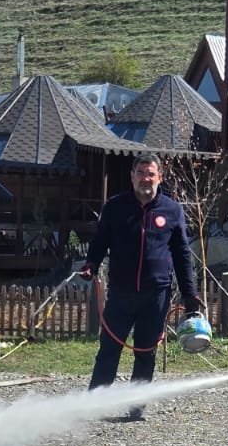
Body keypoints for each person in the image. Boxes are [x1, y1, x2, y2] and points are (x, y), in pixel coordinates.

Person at [81, 152, 202, 419]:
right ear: (132, 176)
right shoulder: (115, 207)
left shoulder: (172, 210)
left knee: (146, 352)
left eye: (150, 174)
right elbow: (100, 241)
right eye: (140, 173)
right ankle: (92, 405)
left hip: (156, 295)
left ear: (159, 177)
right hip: (120, 293)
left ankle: (136, 407)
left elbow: (182, 254)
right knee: (109, 350)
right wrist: (91, 264)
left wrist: (189, 293)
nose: (145, 179)